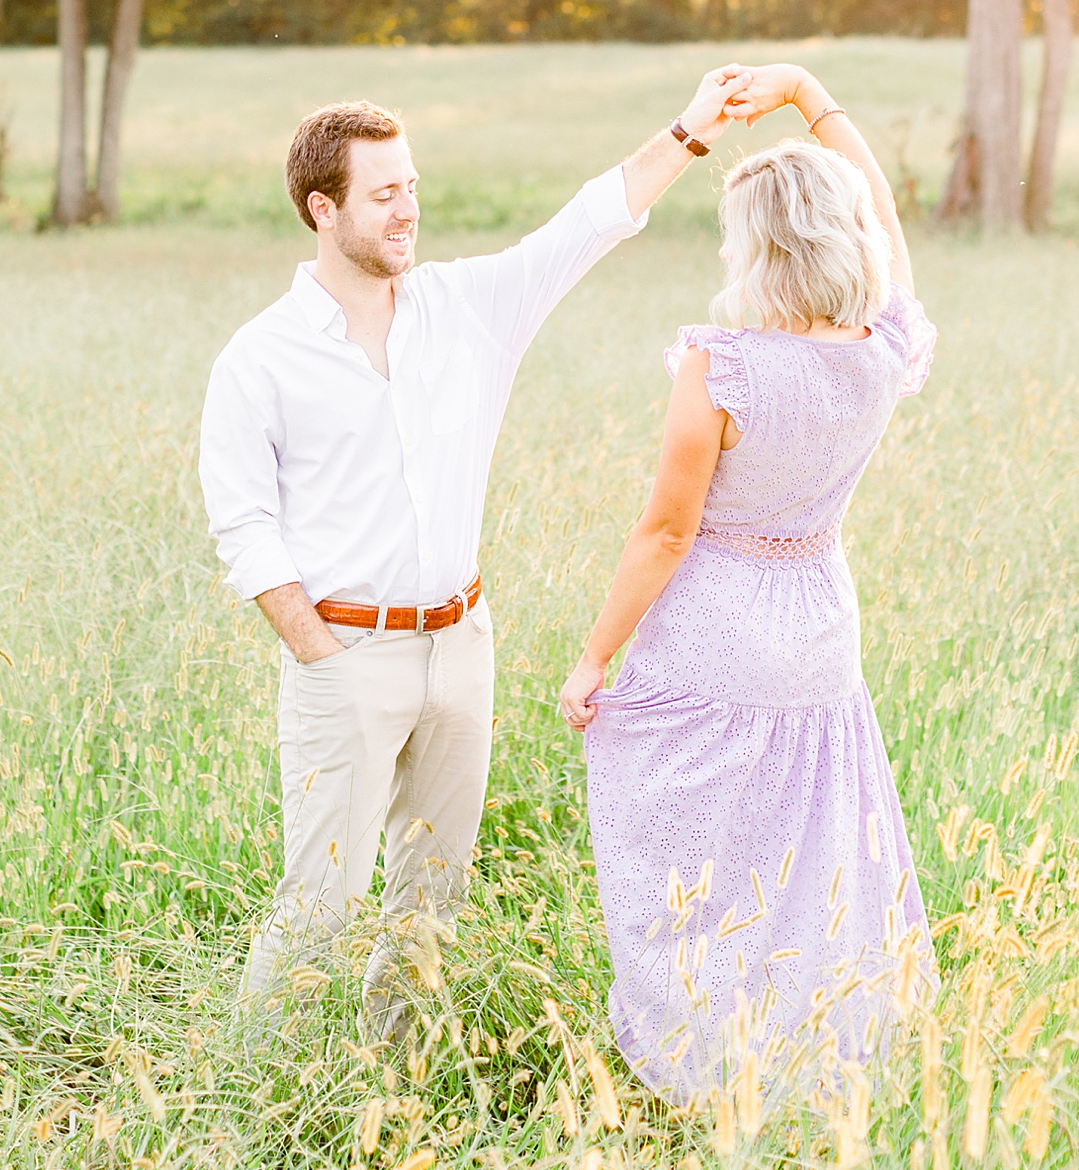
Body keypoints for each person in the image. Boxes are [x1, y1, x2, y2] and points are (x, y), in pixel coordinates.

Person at [200, 69, 749, 1041]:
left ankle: (387, 1082)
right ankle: (255, 1086)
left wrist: (689, 130)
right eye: (383, 193)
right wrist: (320, 654)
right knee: (320, 901)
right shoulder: (261, 356)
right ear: (322, 209)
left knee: (431, 899)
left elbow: (586, 223)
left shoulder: (468, 308)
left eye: (411, 185)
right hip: (344, 656)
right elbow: (242, 525)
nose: (408, 208)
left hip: (461, 646)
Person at [559, 61, 938, 1107]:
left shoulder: (719, 364)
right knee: (806, 848)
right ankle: (812, 1057)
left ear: (761, 244)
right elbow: (889, 215)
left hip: (713, 627)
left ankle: (705, 1059)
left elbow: (668, 529)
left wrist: (594, 658)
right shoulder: (883, 347)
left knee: (695, 853)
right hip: (820, 623)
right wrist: (813, 94)